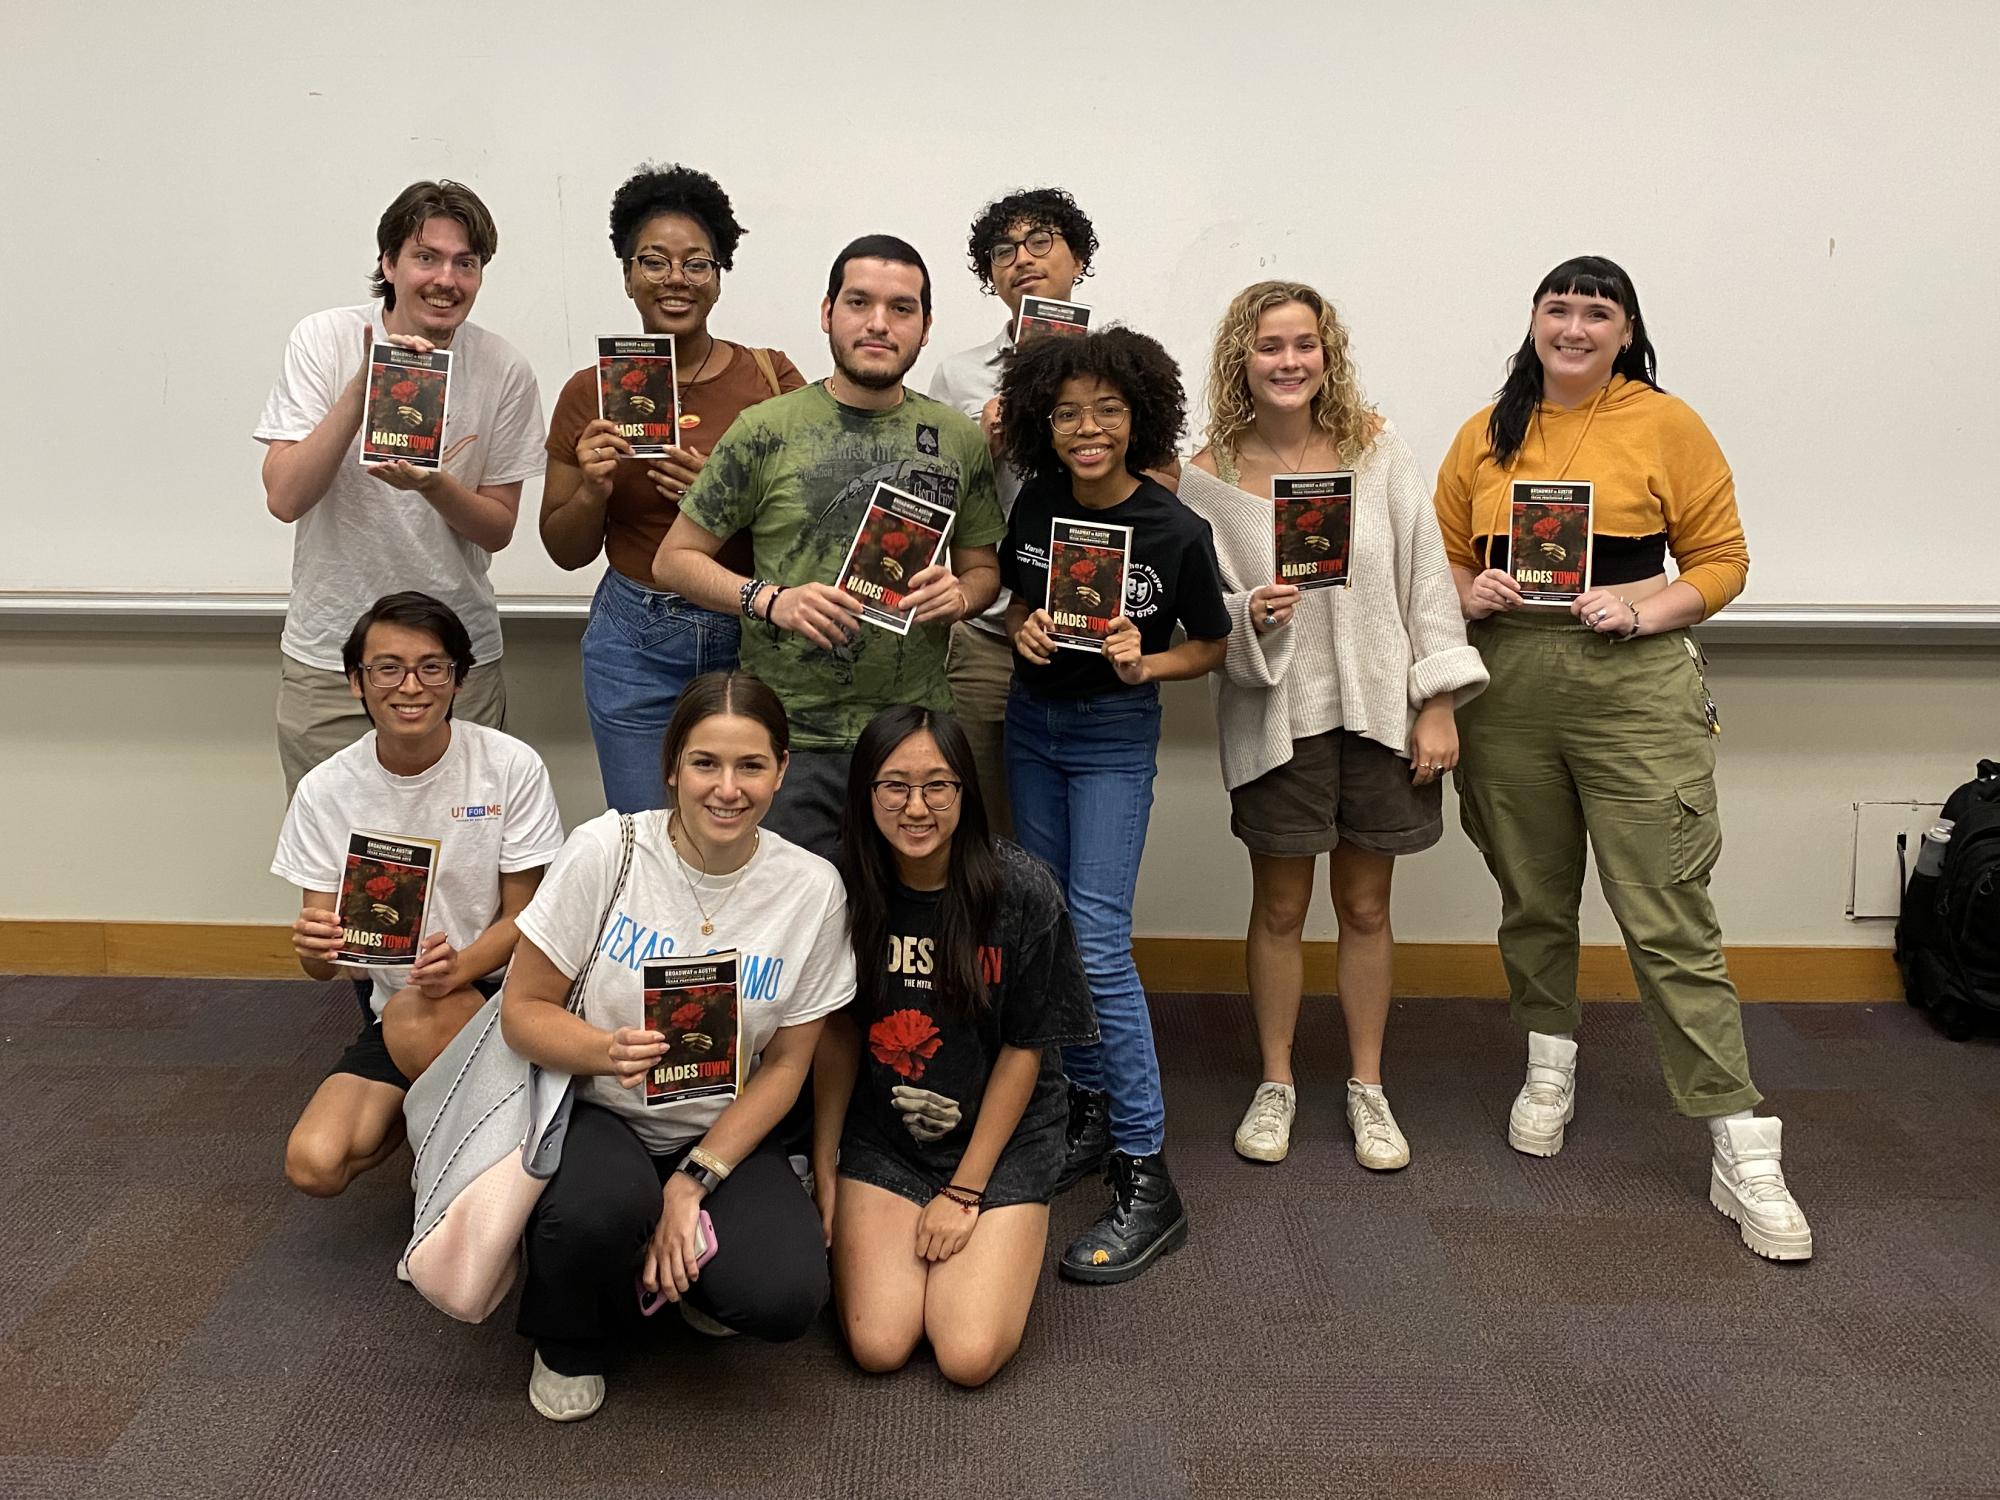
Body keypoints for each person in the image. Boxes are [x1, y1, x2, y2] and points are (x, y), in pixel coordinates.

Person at [1434, 255, 1811, 1261]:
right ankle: (1548, 1055)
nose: (1571, 326)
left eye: (1593, 312)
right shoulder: (1484, 432)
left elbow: (1721, 559)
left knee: (1666, 914)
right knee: (1530, 894)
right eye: (1555, 308)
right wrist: (1467, 594)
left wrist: (1641, 608)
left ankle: (1739, 1139)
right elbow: (1441, 560)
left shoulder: (1665, 422)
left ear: (1623, 327)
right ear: (1531, 321)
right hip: (1506, 692)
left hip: (1631, 689)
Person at [1179, 281, 1489, 1171]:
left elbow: (1427, 580)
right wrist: (1250, 615)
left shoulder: (1377, 451)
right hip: (1279, 715)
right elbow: (1201, 615)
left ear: (1327, 354)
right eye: (1270, 345)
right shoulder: (1206, 479)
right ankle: (1275, 1083)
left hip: (1381, 712)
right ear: (1243, 357)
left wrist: (1435, 700)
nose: (1289, 361)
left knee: (1365, 905)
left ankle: (1367, 1087)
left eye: (1304, 344)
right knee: (1280, 908)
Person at [501, 671, 856, 1421]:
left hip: (722, 1130)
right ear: (671, 767)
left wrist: (694, 1178)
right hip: (602, 1109)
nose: (727, 789)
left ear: (781, 770)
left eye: (751, 765)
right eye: (705, 763)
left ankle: (684, 1263)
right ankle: (572, 1333)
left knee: (785, 1296)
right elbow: (521, 1012)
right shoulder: (606, 850)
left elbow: (790, 1062)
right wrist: (604, 1050)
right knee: (593, 1215)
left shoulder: (812, 888)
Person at [651, 235, 1005, 859]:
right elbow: (673, 559)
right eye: (859, 302)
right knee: (792, 937)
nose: (878, 323)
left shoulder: (957, 439)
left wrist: (961, 594)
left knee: (903, 936)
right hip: (790, 740)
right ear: (827, 312)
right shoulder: (766, 430)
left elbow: (982, 570)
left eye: (902, 308)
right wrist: (770, 600)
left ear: (924, 328)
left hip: (913, 738)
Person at [998, 328, 1229, 1283]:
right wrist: (1027, 627)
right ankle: (1087, 1115)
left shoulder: (1176, 527)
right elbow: (1012, 600)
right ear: (1040, 424)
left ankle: (1146, 1168)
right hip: (1031, 730)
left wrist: (1151, 659)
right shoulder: (1042, 502)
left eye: (1105, 411)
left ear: (1139, 417)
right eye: (1065, 413)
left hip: (1110, 742)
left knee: (1097, 941)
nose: (1086, 429)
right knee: (1050, 932)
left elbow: (1210, 647)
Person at [811, 706, 1096, 1386]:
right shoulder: (838, 886)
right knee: (879, 1344)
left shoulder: (1021, 891)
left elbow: (1026, 1050)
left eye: (938, 786)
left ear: (966, 793)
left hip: (1002, 1139)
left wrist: (966, 1191)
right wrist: (824, 1165)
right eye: (895, 786)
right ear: (866, 794)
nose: (918, 807)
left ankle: (1013, 1224)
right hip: (887, 1135)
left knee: (966, 1354)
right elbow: (838, 1032)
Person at [257, 180, 547, 796]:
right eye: (426, 257)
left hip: (455, 659)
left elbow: (498, 526)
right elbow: (284, 498)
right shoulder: (324, 339)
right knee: (335, 866)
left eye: (465, 263)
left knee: (464, 864)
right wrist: (366, 386)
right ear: (388, 264)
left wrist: (434, 485)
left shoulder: (503, 368)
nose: (446, 278)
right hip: (333, 656)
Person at [272, 592, 565, 1197]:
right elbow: (321, 965)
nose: (411, 686)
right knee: (314, 1163)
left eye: (433, 667)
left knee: (413, 1018)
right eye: (388, 668)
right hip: (405, 1002)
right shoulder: (326, 790)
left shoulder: (509, 766)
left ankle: (477, 1171)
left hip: (502, 991)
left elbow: (527, 916)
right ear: (357, 681)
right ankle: (442, 1115)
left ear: (457, 680)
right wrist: (313, 946)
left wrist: (461, 967)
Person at [540, 164, 806, 813]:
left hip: (748, 635)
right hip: (633, 639)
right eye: (654, 261)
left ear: (718, 275)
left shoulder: (772, 382)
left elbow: (813, 528)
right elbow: (565, 549)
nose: (676, 279)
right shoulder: (589, 391)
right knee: (644, 839)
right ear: (628, 273)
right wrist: (593, 492)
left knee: (743, 835)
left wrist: (727, 502)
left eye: (697, 263)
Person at [928, 188, 1102, 834]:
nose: (1021, 259)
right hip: (989, 630)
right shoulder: (958, 374)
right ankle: (993, 939)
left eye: (1040, 242)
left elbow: (1158, 483)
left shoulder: (1117, 361)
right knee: (980, 823)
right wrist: (982, 447)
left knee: (1077, 825)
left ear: (1077, 258)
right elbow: (926, 502)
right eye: (1003, 251)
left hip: (1091, 626)